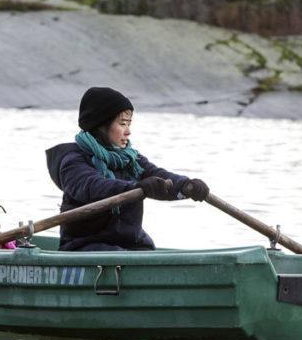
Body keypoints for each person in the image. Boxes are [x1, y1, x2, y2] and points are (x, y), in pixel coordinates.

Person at [45, 86, 210, 251]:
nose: (128, 132)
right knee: (116, 255)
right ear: (100, 125)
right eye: (122, 124)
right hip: (86, 245)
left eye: (129, 124)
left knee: (146, 250)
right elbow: (92, 186)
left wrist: (186, 186)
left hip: (130, 244)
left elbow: (158, 175)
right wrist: (137, 188)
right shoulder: (73, 159)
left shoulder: (130, 158)